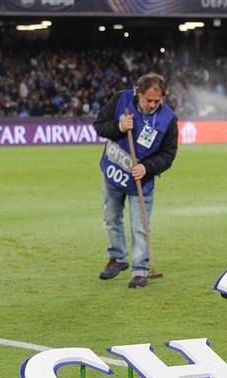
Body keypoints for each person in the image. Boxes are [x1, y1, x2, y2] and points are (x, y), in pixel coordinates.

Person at [93, 73, 178, 288]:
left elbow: (168, 154)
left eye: (157, 101)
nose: (152, 105)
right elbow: (100, 125)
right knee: (111, 219)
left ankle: (140, 270)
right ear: (138, 93)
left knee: (141, 227)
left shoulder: (168, 120)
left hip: (141, 180)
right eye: (148, 100)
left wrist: (147, 167)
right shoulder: (121, 100)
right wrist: (119, 127)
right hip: (113, 172)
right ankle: (117, 258)